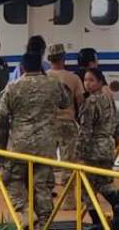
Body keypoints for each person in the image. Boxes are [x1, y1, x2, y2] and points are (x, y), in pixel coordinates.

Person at [0, 52, 70, 229]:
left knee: (11, 178)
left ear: (22, 67)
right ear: (41, 66)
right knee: (42, 185)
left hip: (19, 146)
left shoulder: (13, 87)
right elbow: (65, 102)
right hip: (46, 146)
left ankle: (25, 211)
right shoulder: (53, 84)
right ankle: (45, 222)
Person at [77, 68, 119, 230]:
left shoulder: (91, 102)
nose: (87, 83)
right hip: (107, 146)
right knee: (104, 181)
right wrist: (116, 139)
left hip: (93, 149)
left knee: (87, 186)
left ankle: (96, 221)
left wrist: (79, 151)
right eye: (85, 80)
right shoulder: (108, 99)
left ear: (99, 82)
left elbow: (86, 129)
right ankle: (117, 205)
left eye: (91, 80)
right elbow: (117, 121)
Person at [45, 43, 85, 210]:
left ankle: (45, 200)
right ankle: (69, 201)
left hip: (49, 124)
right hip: (68, 123)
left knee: (46, 163)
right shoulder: (73, 78)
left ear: (49, 59)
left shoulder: (44, 77)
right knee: (69, 163)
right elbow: (81, 102)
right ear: (64, 58)